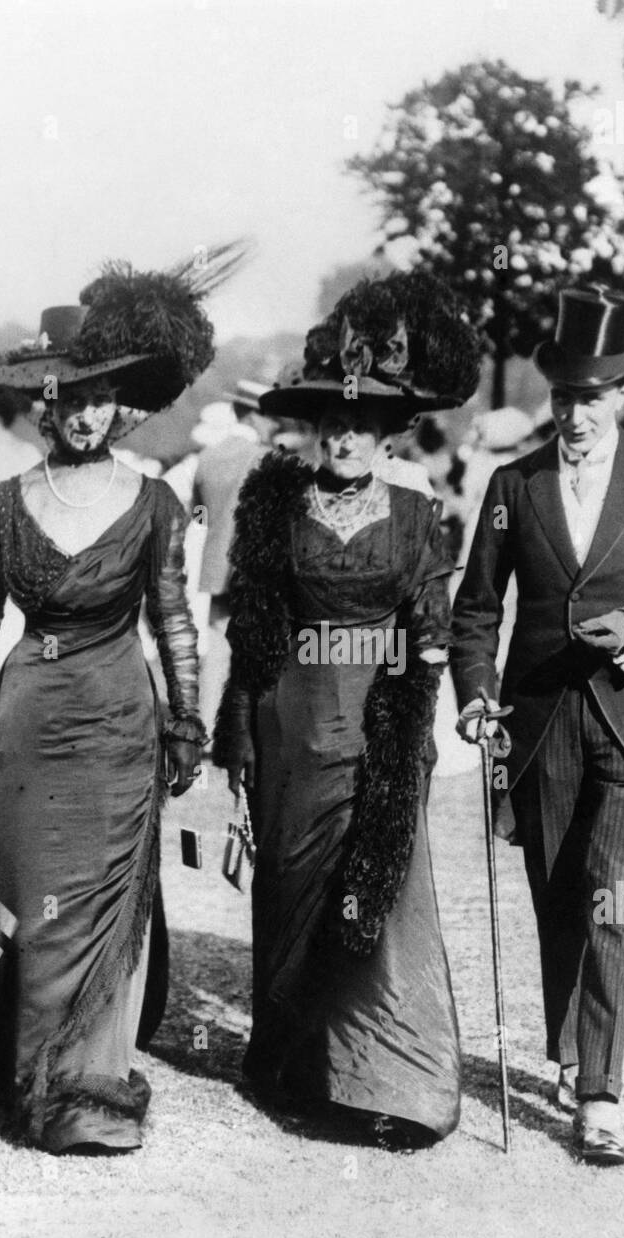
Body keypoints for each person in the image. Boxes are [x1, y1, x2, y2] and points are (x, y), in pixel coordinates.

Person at [0, 259, 225, 1154]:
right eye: (71, 397)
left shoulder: (155, 503)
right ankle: (16, 1068)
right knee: (24, 887)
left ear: (118, 401)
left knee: (98, 901)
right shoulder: (4, 504)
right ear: (43, 406)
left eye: (103, 396)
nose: (87, 413)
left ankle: (85, 1087)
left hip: (116, 720)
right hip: (24, 717)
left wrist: (185, 719)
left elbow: (174, 618)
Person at [451, 287, 624, 1166]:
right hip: (538, 728)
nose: (575, 413)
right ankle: (570, 1051)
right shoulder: (512, 485)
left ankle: (600, 1097)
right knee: (560, 902)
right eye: (564, 396)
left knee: (616, 907)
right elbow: (474, 612)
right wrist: (472, 694)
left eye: (593, 396)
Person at [212, 270, 481, 1149]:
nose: (345, 438)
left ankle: (387, 1083)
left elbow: (431, 632)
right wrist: (239, 737)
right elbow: (252, 634)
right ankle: (291, 1064)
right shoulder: (274, 505)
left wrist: (422, 723)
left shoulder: (415, 515)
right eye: (333, 424)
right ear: (313, 428)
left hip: (378, 731)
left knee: (381, 900)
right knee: (289, 894)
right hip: (291, 728)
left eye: (362, 425)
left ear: (388, 434)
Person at [165, 384, 271, 729]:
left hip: (215, 566)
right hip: (254, 568)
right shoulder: (265, 458)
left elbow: (199, 515)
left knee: (217, 646)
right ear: (256, 414)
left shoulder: (208, 457)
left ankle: (207, 726)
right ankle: (249, 727)